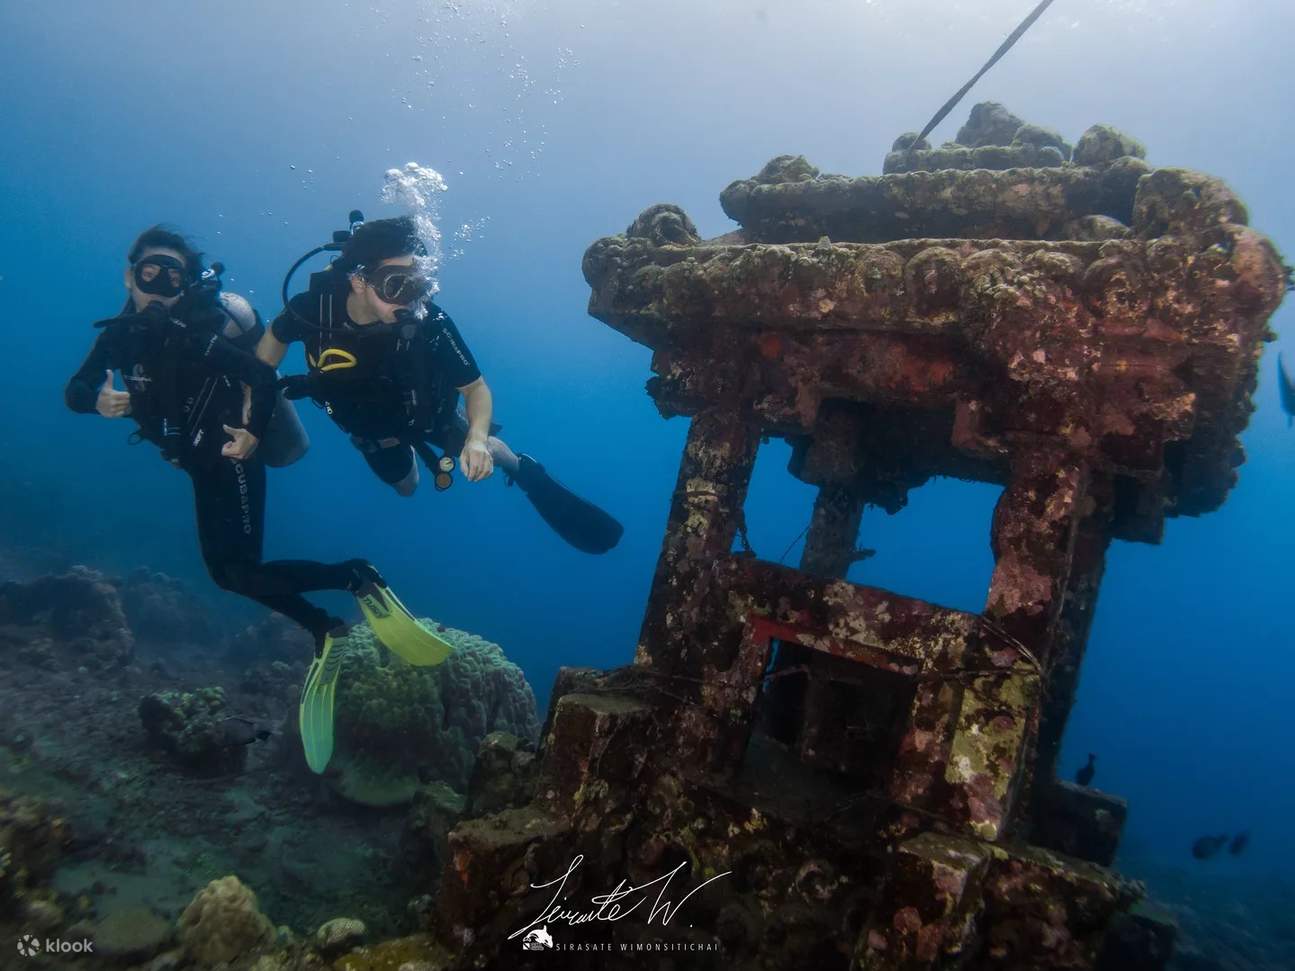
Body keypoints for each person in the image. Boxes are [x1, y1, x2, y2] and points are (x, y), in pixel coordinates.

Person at [64, 226, 449, 773]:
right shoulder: (120, 336)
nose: (158, 286)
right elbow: (75, 389)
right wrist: (96, 401)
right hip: (195, 462)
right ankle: (326, 625)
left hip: (232, 458)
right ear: (130, 276)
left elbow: (258, 375)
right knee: (229, 574)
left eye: (172, 277)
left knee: (239, 568)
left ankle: (355, 580)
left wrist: (248, 432)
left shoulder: (195, 334)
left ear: (184, 285)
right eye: (149, 273)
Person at [256, 215, 623, 554]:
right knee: (407, 487)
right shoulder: (315, 308)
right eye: (396, 285)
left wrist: (477, 441)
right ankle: (409, 447)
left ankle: (519, 467)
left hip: (431, 413)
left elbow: (475, 388)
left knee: (480, 448)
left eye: (418, 286)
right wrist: (253, 408)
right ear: (359, 281)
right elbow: (273, 338)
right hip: (368, 425)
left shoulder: (431, 321)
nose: (410, 301)